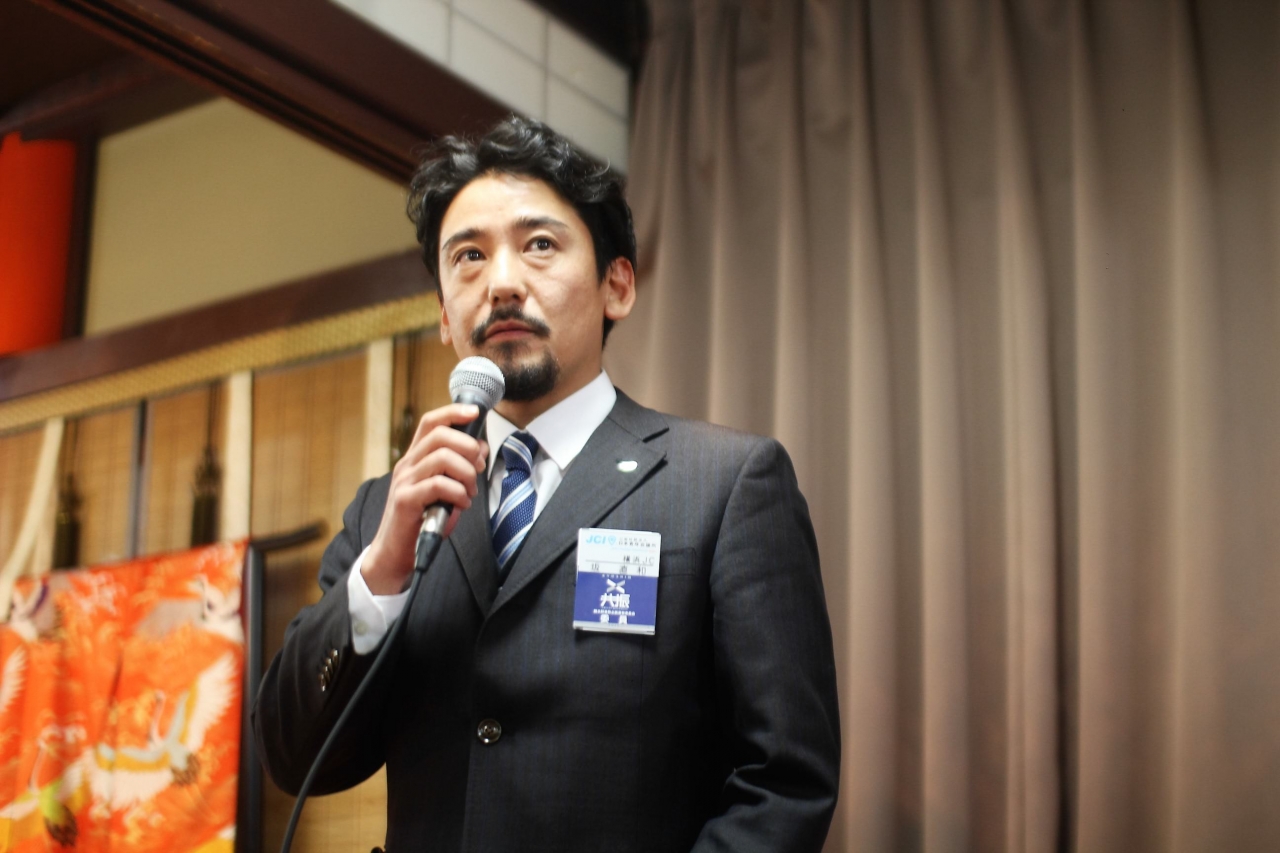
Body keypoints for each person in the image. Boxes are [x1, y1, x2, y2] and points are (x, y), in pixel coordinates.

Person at [252, 116, 840, 853]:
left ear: (616, 286)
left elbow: (785, 782)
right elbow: (292, 754)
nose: (501, 283)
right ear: (444, 316)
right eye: (469, 256)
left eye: (539, 244)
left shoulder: (725, 484)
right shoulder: (390, 509)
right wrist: (382, 572)